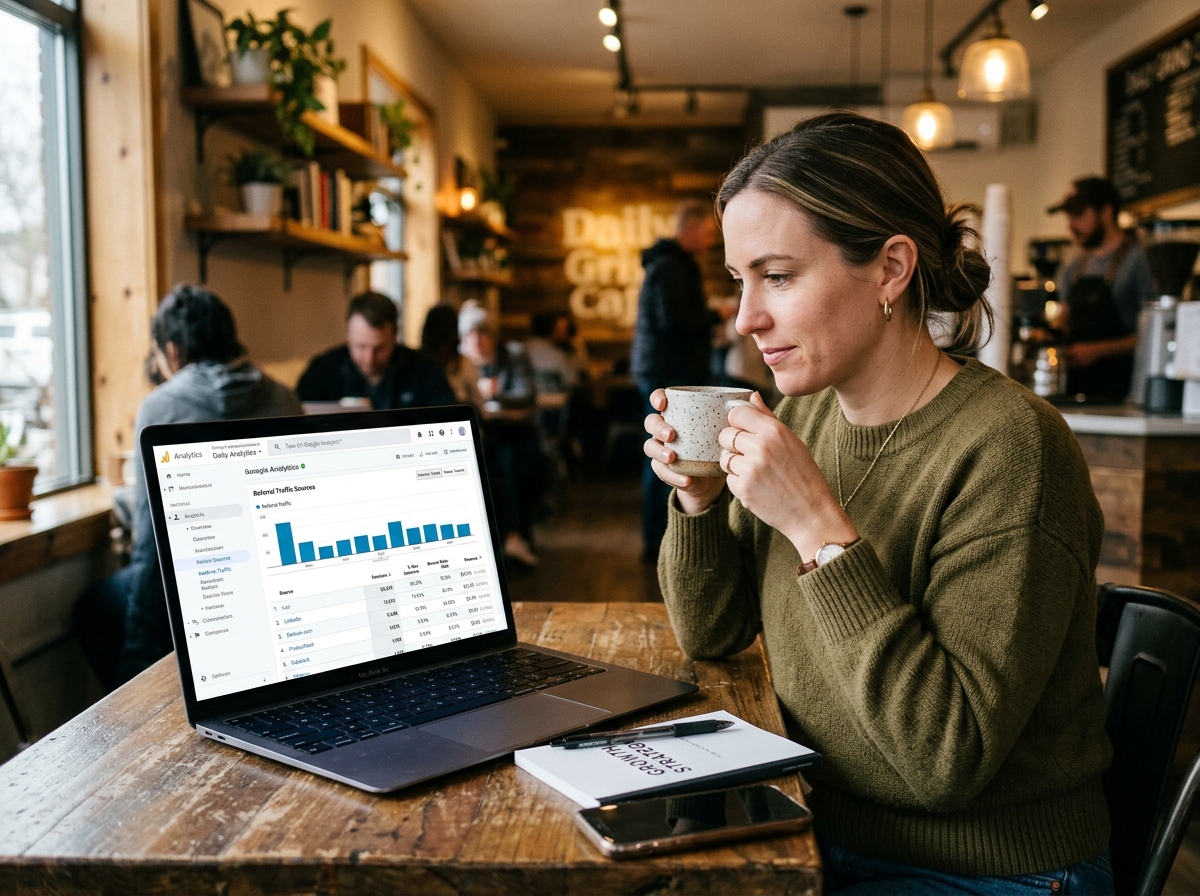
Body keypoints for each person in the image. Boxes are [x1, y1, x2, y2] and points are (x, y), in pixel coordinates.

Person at [644, 113, 1114, 894]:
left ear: (891, 268)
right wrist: (697, 503)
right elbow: (713, 633)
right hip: (815, 825)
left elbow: (945, 761)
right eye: (738, 281)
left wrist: (817, 530)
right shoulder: (807, 416)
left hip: (983, 870)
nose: (745, 318)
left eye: (779, 276)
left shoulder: (1012, 449)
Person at [75, 285, 302, 689]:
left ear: (173, 352)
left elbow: (150, 546)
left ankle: (150, 697)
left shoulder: (161, 407)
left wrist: (136, 662)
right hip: (275, 579)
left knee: (93, 609)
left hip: (198, 579)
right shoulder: (285, 399)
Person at [631, 200, 719, 563]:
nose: (711, 241)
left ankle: (660, 537)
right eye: (709, 232)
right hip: (669, 372)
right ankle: (656, 542)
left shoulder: (668, 264)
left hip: (662, 369)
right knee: (666, 453)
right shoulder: (672, 267)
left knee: (666, 451)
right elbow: (675, 320)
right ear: (692, 228)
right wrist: (715, 314)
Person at [1048, 176, 1155, 400]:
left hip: (1124, 393)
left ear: (1106, 212)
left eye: (1078, 215)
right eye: (1068, 217)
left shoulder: (1138, 261)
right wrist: (1047, 336)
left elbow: (1153, 337)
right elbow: (1064, 320)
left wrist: (1097, 351)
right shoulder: (1074, 267)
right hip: (1077, 391)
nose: (1070, 226)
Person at [457, 300, 543, 567]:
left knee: (514, 461)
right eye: (471, 335)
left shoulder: (513, 354)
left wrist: (494, 395)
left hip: (514, 430)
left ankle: (515, 535)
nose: (478, 341)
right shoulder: (460, 363)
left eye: (484, 333)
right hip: (483, 432)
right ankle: (503, 539)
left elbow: (527, 396)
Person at [297, 291, 456, 409]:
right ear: (348, 335)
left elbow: (450, 421)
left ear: (395, 336)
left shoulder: (425, 370)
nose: (369, 358)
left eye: (379, 348)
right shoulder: (322, 372)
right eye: (360, 346)